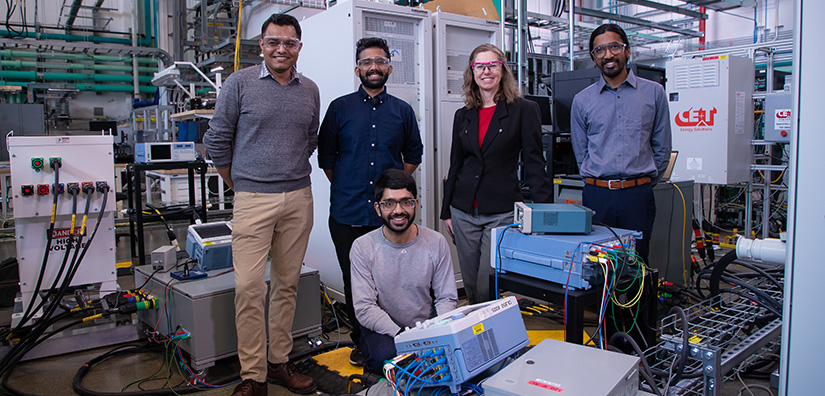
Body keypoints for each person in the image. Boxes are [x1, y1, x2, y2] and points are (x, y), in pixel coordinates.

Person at [203, 13, 319, 396]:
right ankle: (253, 376)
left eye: (288, 43)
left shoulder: (310, 90)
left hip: (299, 196)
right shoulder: (239, 84)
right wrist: (241, 184)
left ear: (298, 47)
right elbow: (216, 140)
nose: (280, 49)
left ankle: (279, 362)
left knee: (287, 284)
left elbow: (310, 139)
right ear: (262, 46)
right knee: (249, 287)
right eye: (273, 42)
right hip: (253, 197)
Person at [317, 37, 423, 367]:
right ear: (357, 69)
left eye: (379, 61)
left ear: (389, 68)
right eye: (366, 62)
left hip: (389, 217)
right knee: (354, 283)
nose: (373, 67)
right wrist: (351, 185)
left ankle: (394, 338)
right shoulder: (339, 108)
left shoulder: (402, 111)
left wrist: (389, 195)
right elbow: (327, 160)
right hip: (347, 212)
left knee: (391, 281)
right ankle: (364, 342)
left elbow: (413, 156)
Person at [440, 44, 553, 304]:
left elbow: (536, 165)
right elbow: (455, 165)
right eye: (479, 66)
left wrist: (545, 217)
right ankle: (478, 337)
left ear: (503, 70)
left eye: (492, 65)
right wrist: (446, 211)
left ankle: (490, 335)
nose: (486, 71)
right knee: (470, 284)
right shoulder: (463, 115)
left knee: (486, 284)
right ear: (472, 72)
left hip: (500, 212)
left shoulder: (524, 110)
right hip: (463, 211)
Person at [570, 23, 672, 263]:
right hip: (597, 195)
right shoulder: (582, 100)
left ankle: (639, 303)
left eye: (614, 47)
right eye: (600, 50)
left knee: (638, 263)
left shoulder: (654, 94)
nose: (608, 55)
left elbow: (662, 148)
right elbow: (580, 151)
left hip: (638, 195)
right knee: (597, 264)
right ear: (594, 58)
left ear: (627, 51)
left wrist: (642, 182)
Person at [351, 169, 458, 375]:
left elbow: (446, 298)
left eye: (406, 202)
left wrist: (434, 333)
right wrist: (404, 336)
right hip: (384, 330)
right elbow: (364, 308)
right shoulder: (362, 247)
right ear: (378, 208)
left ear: (415, 204)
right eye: (389, 203)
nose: (398, 210)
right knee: (387, 359)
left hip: (426, 325)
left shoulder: (436, 242)